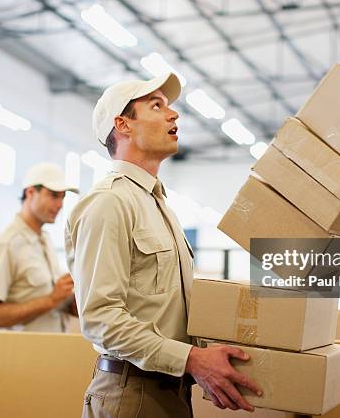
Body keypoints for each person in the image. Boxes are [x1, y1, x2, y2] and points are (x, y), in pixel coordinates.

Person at [66, 72, 262, 418]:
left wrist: (204, 355)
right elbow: (100, 318)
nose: (173, 115)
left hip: (170, 389)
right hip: (133, 393)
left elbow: (164, 311)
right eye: (156, 106)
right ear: (123, 125)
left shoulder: (159, 207)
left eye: (169, 107)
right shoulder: (109, 203)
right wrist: (192, 359)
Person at [0, 162, 79, 332]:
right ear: (30, 192)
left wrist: (69, 301)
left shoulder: (44, 241)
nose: (60, 204)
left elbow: (47, 301)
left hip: (45, 353)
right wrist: (52, 300)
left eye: (63, 197)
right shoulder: (6, 244)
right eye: (53, 195)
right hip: (20, 355)